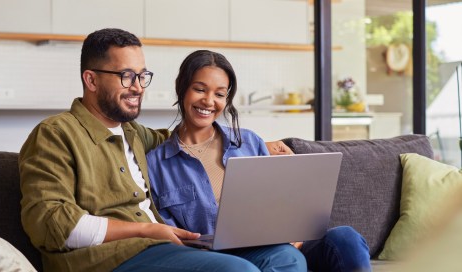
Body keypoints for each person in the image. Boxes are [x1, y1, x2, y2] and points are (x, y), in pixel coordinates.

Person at [19, 28, 307, 271]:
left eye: (142, 76)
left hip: (161, 249)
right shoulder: (55, 134)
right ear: (91, 80)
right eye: (126, 76)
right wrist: (145, 229)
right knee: (236, 270)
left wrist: (256, 145)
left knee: (285, 258)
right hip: (107, 259)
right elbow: (49, 223)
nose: (138, 87)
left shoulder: (134, 135)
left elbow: (187, 139)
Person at [146, 49, 372, 272]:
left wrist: (294, 227)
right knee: (286, 257)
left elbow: (283, 202)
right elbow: (173, 242)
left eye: (219, 94)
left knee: (346, 238)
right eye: (199, 89)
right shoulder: (157, 165)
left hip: (283, 244)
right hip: (223, 257)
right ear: (182, 88)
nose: (208, 101)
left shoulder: (249, 143)